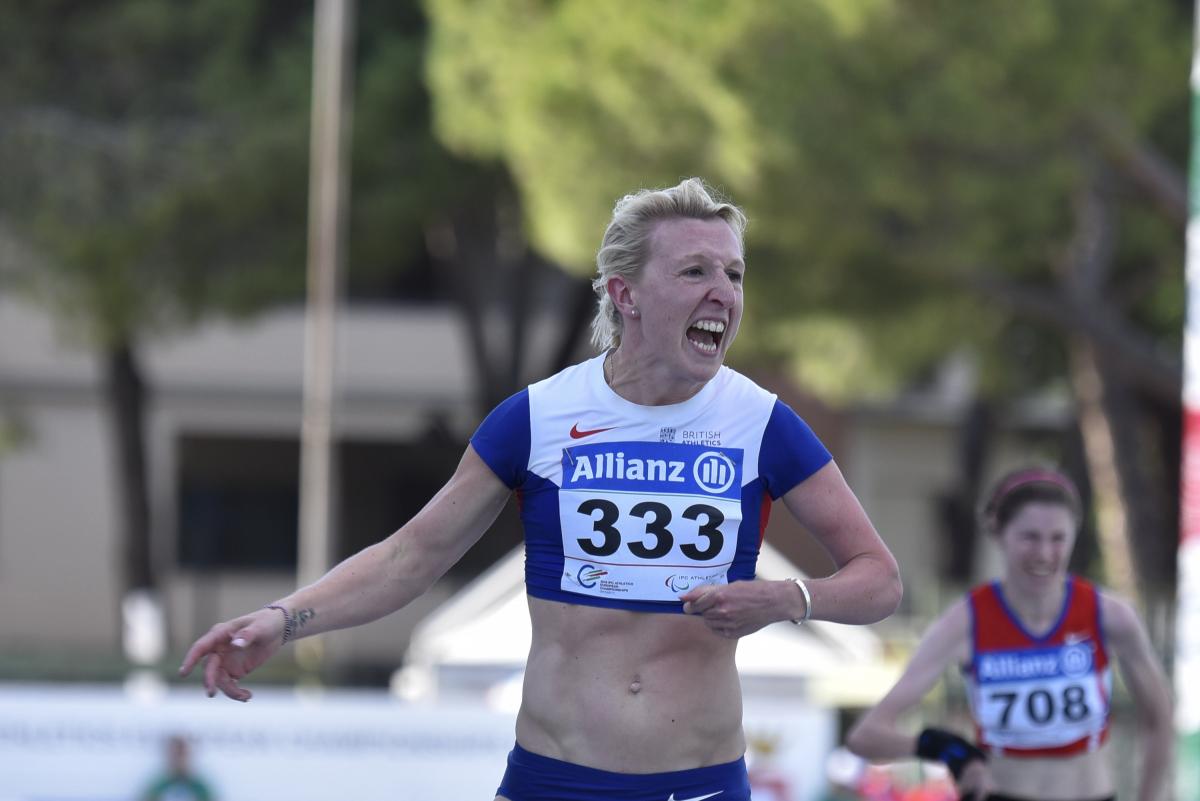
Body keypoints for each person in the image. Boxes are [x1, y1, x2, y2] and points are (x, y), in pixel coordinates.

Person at [179, 177, 903, 801]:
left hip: (699, 779)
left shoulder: (762, 423)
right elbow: (410, 558)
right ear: (626, 295)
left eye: (735, 275)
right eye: (694, 273)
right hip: (555, 778)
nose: (723, 293)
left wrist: (789, 598)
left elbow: (880, 581)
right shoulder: (540, 416)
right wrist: (283, 617)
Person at [845, 466, 1174, 801]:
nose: (1044, 554)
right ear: (998, 533)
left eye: (1058, 538)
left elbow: (1160, 719)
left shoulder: (1109, 615)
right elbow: (865, 734)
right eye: (1029, 537)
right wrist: (947, 748)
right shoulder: (966, 621)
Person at [140, 734, 215, 801]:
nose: (179, 760)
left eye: (182, 755)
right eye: (175, 755)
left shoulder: (199, 787)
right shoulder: (158, 786)